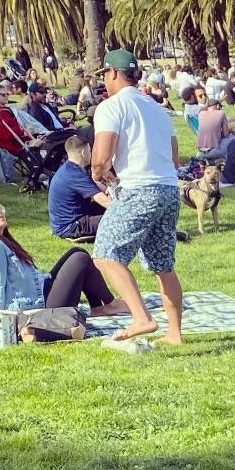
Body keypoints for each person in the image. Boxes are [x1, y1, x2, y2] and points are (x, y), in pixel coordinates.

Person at [89, 49, 184, 345]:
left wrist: (98, 173)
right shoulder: (157, 108)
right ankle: (175, 334)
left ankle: (142, 318)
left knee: (105, 254)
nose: (104, 80)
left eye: (104, 74)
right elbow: (175, 157)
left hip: (139, 189)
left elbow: (101, 158)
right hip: (169, 189)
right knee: (163, 265)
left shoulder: (111, 107)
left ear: (113, 73)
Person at [0, 196, 121, 327]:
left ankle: (101, 307)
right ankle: (108, 304)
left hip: (42, 294)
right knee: (79, 259)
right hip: (40, 309)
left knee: (77, 252)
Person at [48, 133, 113, 240]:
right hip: (72, 226)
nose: (91, 153)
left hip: (67, 220)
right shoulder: (76, 175)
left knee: (108, 211)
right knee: (120, 218)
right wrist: (126, 210)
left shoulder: (68, 169)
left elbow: (96, 188)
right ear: (83, 152)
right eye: (90, 151)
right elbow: (102, 200)